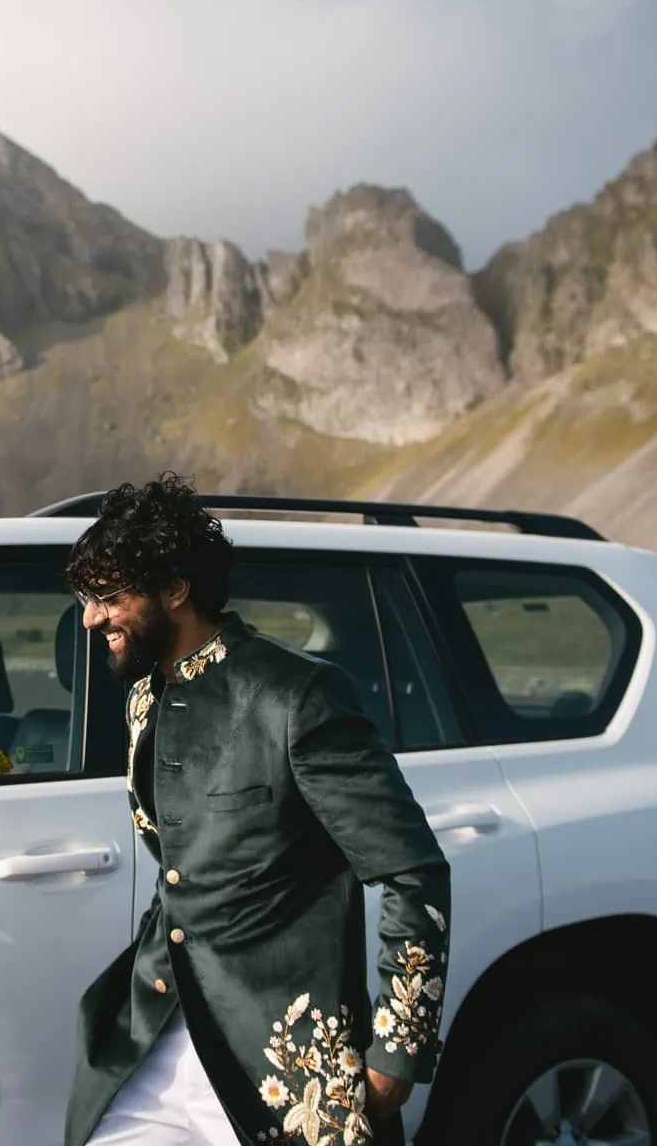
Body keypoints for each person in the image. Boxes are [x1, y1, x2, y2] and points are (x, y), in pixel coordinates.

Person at [62, 473, 451, 1146]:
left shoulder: (299, 697)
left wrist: (397, 1052)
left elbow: (413, 871)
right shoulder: (144, 699)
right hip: (151, 1040)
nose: (92, 616)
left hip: (278, 1064)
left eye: (109, 596)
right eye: (88, 597)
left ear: (175, 589)